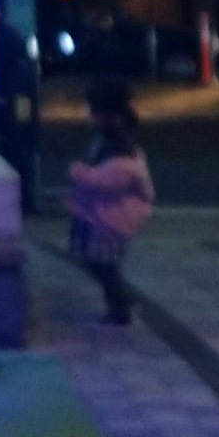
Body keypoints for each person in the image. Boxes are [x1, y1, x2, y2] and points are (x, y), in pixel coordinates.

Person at [65, 79, 157, 326]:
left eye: (92, 110)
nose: (87, 115)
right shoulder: (110, 138)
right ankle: (120, 300)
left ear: (105, 115)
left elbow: (111, 179)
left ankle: (119, 308)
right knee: (99, 262)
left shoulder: (119, 146)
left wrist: (81, 173)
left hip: (110, 220)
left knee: (103, 264)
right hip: (103, 215)